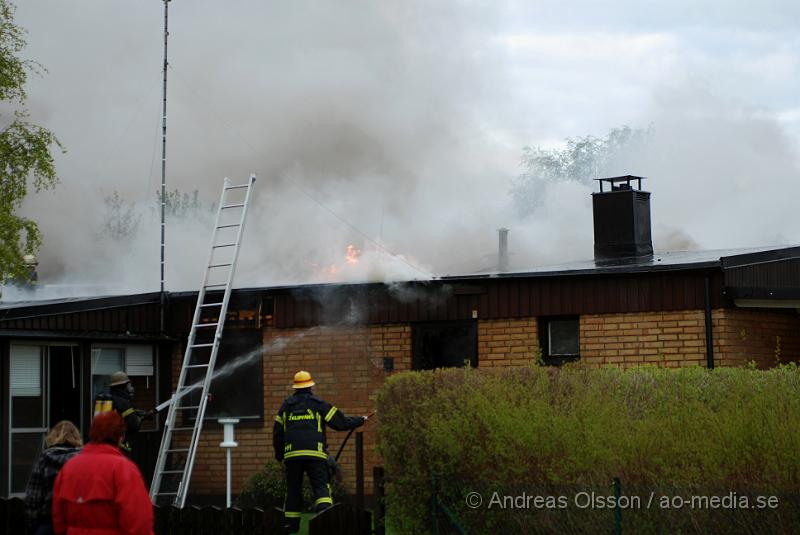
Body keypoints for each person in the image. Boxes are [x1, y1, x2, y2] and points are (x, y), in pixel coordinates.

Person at [273, 370, 368, 534]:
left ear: (295, 387)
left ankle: (291, 526)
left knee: (293, 490)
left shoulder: (285, 407)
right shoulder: (318, 404)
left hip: (292, 457)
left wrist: (280, 455)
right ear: (310, 387)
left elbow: (277, 434)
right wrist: (360, 420)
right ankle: (326, 522)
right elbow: (341, 422)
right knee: (321, 488)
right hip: (315, 455)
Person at [52, 411, 153, 535]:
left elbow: (58, 517)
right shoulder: (124, 469)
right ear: (120, 437)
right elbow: (138, 521)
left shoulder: (69, 468)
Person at [24, 421, 82, 535]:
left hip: (48, 520)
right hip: (75, 520)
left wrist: (33, 524)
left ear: (53, 436)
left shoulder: (44, 458)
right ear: (76, 437)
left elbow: (33, 496)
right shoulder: (83, 460)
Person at [93, 371, 148, 452]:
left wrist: (134, 412)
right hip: (119, 446)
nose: (131, 388)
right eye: (128, 385)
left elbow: (118, 415)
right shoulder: (124, 403)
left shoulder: (108, 401)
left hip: (101, 444)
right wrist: (140, 418)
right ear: (122, 387)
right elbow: (133, 426)